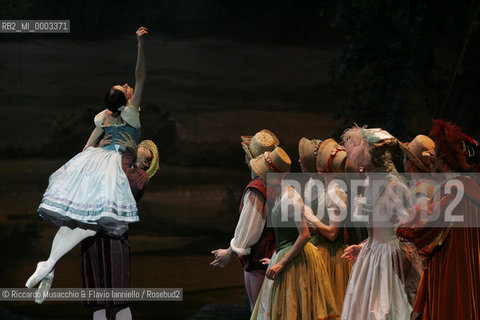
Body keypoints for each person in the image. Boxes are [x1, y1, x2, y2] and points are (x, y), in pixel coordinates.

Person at [25, 27, 149, 289]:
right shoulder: (131, 113)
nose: (128, 85)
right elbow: (141, 76)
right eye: (124, 88)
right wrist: (139, 44)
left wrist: (92, 153)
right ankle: (48, 264)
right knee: (92, 221)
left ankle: (49, 263)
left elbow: (86, 148)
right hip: (113, 165)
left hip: (93, 162)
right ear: (126, 98)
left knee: (81, 219)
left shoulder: (104, 116)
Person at [397, 119, 480, 320]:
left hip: (450, 268)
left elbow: (423, 228)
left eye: (436, 156)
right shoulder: (472, 189)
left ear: (444, 161)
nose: (431, 160)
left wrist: (399, 225)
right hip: (470, 265)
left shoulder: (451, 191)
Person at [340, 126, 421, 320]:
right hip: (373, 252)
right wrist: (365, 245)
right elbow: (376, 228)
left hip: (389, 255)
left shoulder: (395, 186)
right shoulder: (369, 184)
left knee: (384, 308)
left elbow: (404, 228)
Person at [250, 147, 339, 320]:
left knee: (293, 309)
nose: (262, 178)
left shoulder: (290, 197)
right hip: (287, 254)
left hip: (296, 261)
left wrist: (281, 262)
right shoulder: (282, 195)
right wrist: (276, 257)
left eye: (265, 174)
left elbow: (304, 234)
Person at [210, 129, 279, 311]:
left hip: (260, 258)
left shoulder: (257, 188)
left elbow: (250, 229)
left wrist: (230, 252)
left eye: (247, 156)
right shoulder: (276, 182)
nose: (245, 160)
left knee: (259, 312)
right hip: (272, 256)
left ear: (251, 160)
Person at [299, 137, 355, 312]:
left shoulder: (335, 192)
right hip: (320, 252)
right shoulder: (325, 188)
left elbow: (332, 233)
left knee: (332, 305)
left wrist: (310, 217)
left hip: (331, 257)